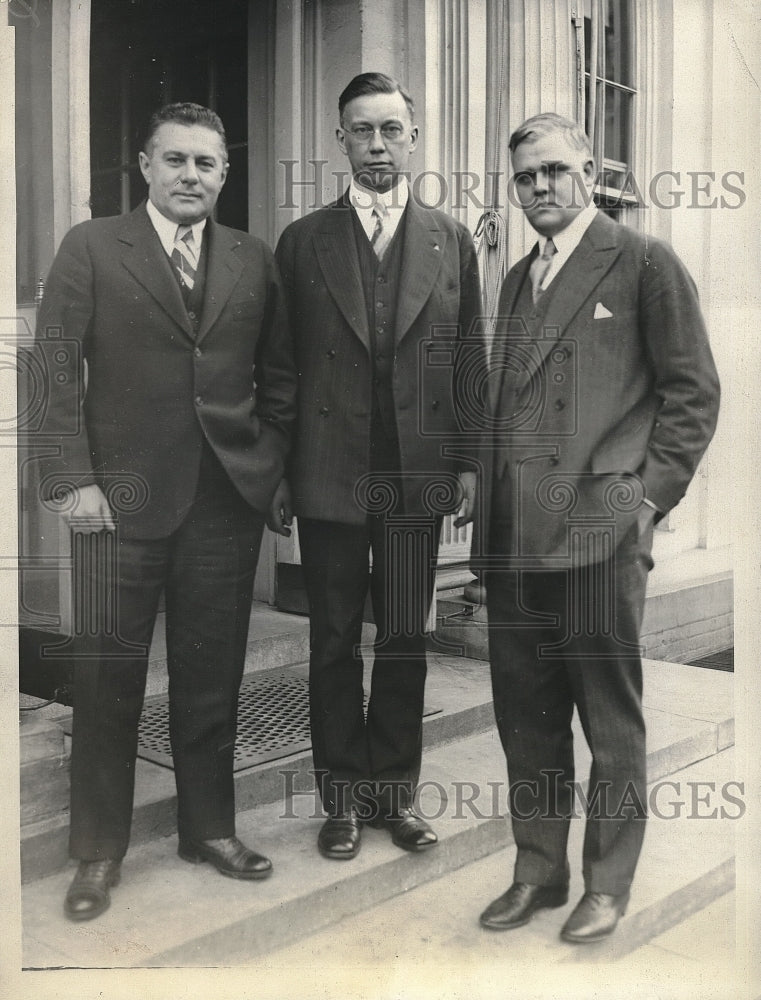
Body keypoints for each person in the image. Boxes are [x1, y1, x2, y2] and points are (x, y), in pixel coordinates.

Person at [34, 102, 296, 921]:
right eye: (175, 160)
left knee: (211, 677)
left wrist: (267, 467)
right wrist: (72, 482)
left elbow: (281, 377)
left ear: (224, 174)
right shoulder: (91, 247)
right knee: (108, 679)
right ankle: (97, 852)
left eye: (206, 164)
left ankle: (208, 829)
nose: (191, 176)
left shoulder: (252, 259)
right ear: (144, 166)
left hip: (222, 506)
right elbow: (51, 371)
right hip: (117, 505)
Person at [475, 113, 720, 943]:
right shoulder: (515, 278)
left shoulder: (643, 261)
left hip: (598, 533)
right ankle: (536, 872)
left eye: (552, 170)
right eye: (523, 177)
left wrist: (644, 504)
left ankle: (605, 884)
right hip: (517, 540)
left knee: (608, 722)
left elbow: (692, 395)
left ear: (588, 169)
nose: (538, 188)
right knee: (527, 717)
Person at [269, 72, 484, 860]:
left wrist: (465, 463)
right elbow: (281, 368)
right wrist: (281, 476)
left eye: (391, 129)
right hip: (325, 473)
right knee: (330, 642)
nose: (377, 145)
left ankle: (393, 796)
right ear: (340, 139)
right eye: (362, 130)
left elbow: (469, 362)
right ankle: (341, 803)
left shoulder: (449, 239)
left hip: (413, 478)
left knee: (401, 638)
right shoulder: (303, 241)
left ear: (413, 135)